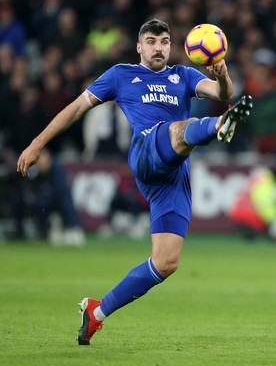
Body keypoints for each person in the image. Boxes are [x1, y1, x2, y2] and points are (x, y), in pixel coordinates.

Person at [17, 19, 253, 345]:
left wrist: (222, 74)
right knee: (178, 129)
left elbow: (222, 93)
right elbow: (75, 109)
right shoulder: (120, 75)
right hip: (145, 151)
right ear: (139, 47)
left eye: (165, 41)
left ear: (172, 47)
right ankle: (217, 126)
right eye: (152, 41)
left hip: (173, 175)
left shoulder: (183, 76)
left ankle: (97, 313)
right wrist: (38, 143)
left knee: (166, 262)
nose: (159, 47)